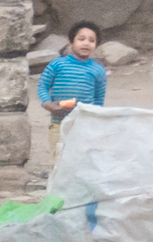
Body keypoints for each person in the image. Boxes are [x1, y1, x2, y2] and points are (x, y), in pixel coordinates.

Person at [38, 20, 108, 158]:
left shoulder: (98, 70)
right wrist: (48, 104)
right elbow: (42, 86)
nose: (86, 43)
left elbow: (99, 100)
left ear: (96, 46)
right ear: (71, 42)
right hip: (59, 124)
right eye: (81, 39)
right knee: (59, 161)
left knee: (81, 161)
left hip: (84, 126)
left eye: (92, 41)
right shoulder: (57, 64)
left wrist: (96, 121)